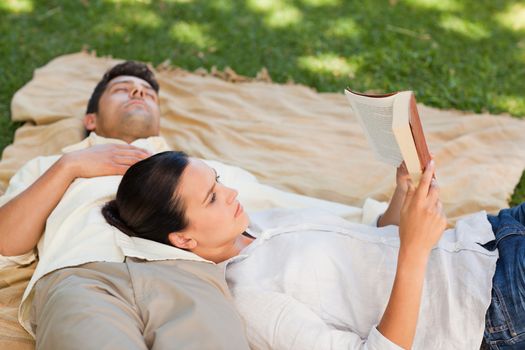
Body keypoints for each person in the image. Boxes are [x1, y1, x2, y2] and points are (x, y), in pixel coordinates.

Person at [0, 61, 367, 349]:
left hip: (186, 272)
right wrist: (71, 167)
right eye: (122, 89)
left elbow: (279, 204)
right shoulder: (50, 167)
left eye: (147, 92)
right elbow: (5, 242)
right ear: (90, 119)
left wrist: (380, 215)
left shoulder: (197, 171)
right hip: (83, 276)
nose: (137, 93)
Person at [103, 150, 523, 350]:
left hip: (485, 236)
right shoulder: (252, 302)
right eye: (212, 197)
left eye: (217, 179)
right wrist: (414, 249)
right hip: (488, 305)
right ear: (183, 239)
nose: (231, 192)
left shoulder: (258, 224)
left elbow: (370, 243)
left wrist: (401, 196)